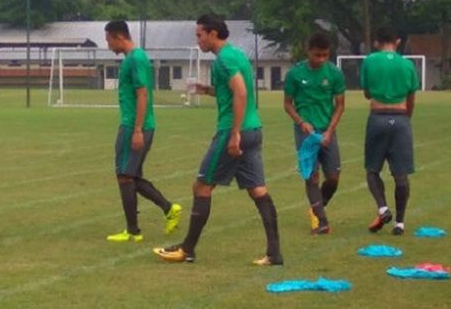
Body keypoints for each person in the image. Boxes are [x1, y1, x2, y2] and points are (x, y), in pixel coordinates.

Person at [154, 14, 282, 265]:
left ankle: (187, 249)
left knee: (202, 186)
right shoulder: (236, 54)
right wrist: (208, 90)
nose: (198, 39)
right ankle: (275, 254)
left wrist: (234, 133)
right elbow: (233, 91)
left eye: (199, 34)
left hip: (233, 132)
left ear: (213, 33)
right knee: (258, 190)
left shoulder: (224, 60)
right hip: (254, 129)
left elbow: (241, 92)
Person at [104, 20, 182, 242]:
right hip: (133, 123)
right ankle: (168, 209)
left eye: (109, 39)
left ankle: (133, 231)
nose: (108, 44)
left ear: (119, 37)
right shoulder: (132, 58)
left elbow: (142, 94)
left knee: (125, 176)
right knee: (129, 175)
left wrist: (137, 129)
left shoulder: (136, 58)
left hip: (134, 125)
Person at [284, 32, 346, 234]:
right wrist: (301, 121)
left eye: (325, 55)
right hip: (305, 132)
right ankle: (322, 221)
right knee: (311, 177)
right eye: (317, 55)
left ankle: (317, 207)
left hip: (326, 129)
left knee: (333, 178)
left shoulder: (334, 74)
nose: (321, 59)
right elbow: (287, 104)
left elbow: (340, 105)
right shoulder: (295, 74)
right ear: (308, 51)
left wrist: (330, 131)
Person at [360, 26, 419, 235]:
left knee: (372, 169)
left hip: (378, 117)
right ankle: (400, 223)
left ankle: (383, 208)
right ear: (398, 41)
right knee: (401, 173)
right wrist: (405, 119)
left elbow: (367, 93)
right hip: (401, 118)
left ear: (376, 42)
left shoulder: (369, 61)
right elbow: (412, 97)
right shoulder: (408, 64)